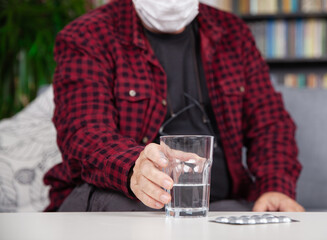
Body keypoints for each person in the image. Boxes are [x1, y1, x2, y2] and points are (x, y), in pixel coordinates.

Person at [44, 0, 305, 212]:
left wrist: (275, 187)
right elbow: (83, 133)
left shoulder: (232, 33)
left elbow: (271, 124)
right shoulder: (87, 35)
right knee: (133, 211)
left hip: (217, 204)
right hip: (120, 196)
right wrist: (135, 167)